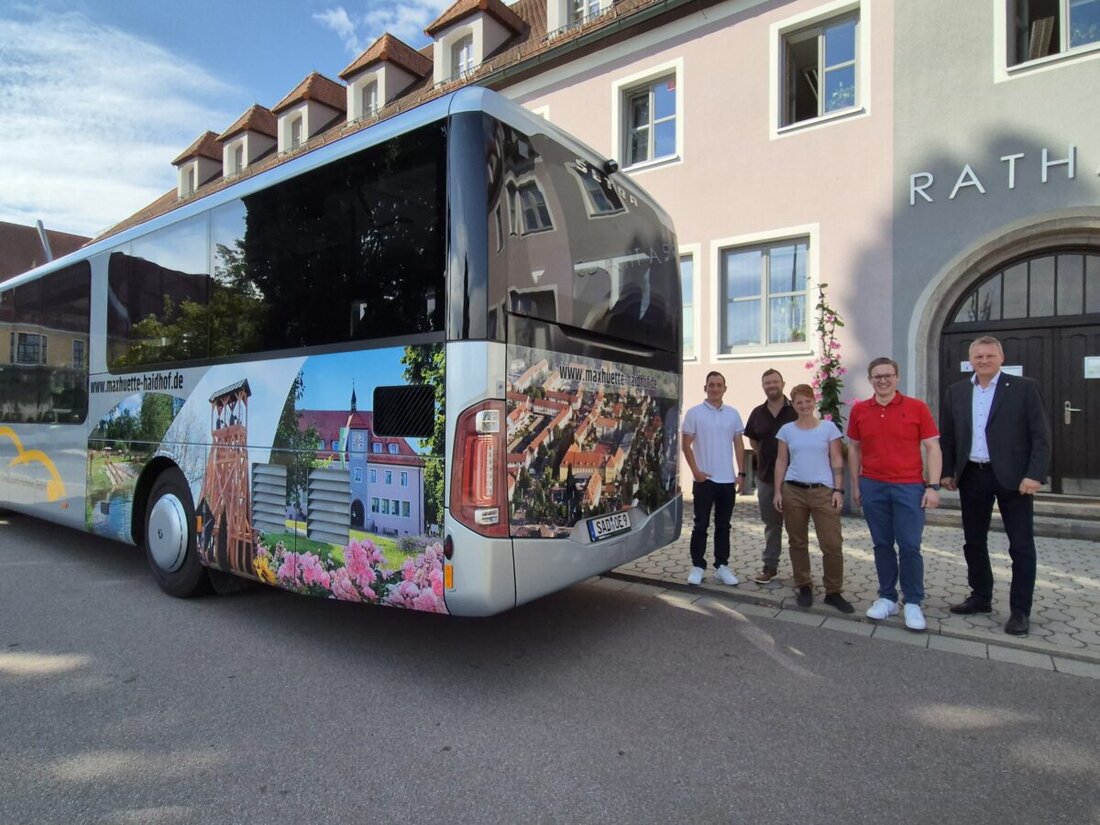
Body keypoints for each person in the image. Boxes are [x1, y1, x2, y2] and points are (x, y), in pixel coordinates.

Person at [939, 335, 1051, 636]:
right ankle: (980, 597)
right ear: (970, 360)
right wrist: (947, 472)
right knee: (973, 541)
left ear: (1001, 358)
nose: (984, 361)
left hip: (1015, 479)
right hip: (972, 475)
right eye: (978, 356)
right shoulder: (957, 391)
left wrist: (1035, 474)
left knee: (1021, 546)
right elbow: (948, 435)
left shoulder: (1024, 388)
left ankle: (1020, 611)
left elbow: (1040, 435)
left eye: (989, 356)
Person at [847, 357, 941, 631]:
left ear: (897, 377)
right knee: (882, 544)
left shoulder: (917, 408)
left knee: (910, 545)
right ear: (870, 380)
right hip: (873, 486)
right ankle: (887, 597)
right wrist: (856, 484)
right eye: (877, 376)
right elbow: (854, 448)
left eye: (888, 375)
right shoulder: (861, 411)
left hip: (909, 486)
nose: (883, 380)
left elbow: (933, 448)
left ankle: (912, 601)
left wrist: (933, 487)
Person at [773, 384, 852, 612]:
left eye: (807, 401)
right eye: (799, 402)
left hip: (823, 492)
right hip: (793, 491)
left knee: (832, 543)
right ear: (793, 404)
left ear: (813, 402)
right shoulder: (787, 430)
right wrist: (778, 491)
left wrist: (839, 490)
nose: (804, 405)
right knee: (797, 541)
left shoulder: (828, 429)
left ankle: (833, 591)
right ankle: (804, 584)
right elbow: (781, 461)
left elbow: (837, 460)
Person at [681, 371, 746, 586]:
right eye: (711, 385)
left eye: (719, 385)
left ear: (725, 388)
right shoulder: (694, 413)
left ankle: (721, 566)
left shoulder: (733, 414)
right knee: (700, 525)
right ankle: (698, 565)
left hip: (727, 480)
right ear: (705, 388)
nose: (715, 388)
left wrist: (741, 473)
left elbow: (738, 445)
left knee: (723, 525)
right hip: (704, 480)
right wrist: (696, 471)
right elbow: (685, 445)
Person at [744, 369, 798, 584]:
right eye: (767, 382)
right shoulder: (758, 412)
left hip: (795, 478)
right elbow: (754, 442)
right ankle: (770, 566)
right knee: (771, 525)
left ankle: (800, 572)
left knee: (796, 526)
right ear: (763, 386)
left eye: (775, 381)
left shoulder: (796, 410)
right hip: (766, 477)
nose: (771, 385)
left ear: (783, 383)